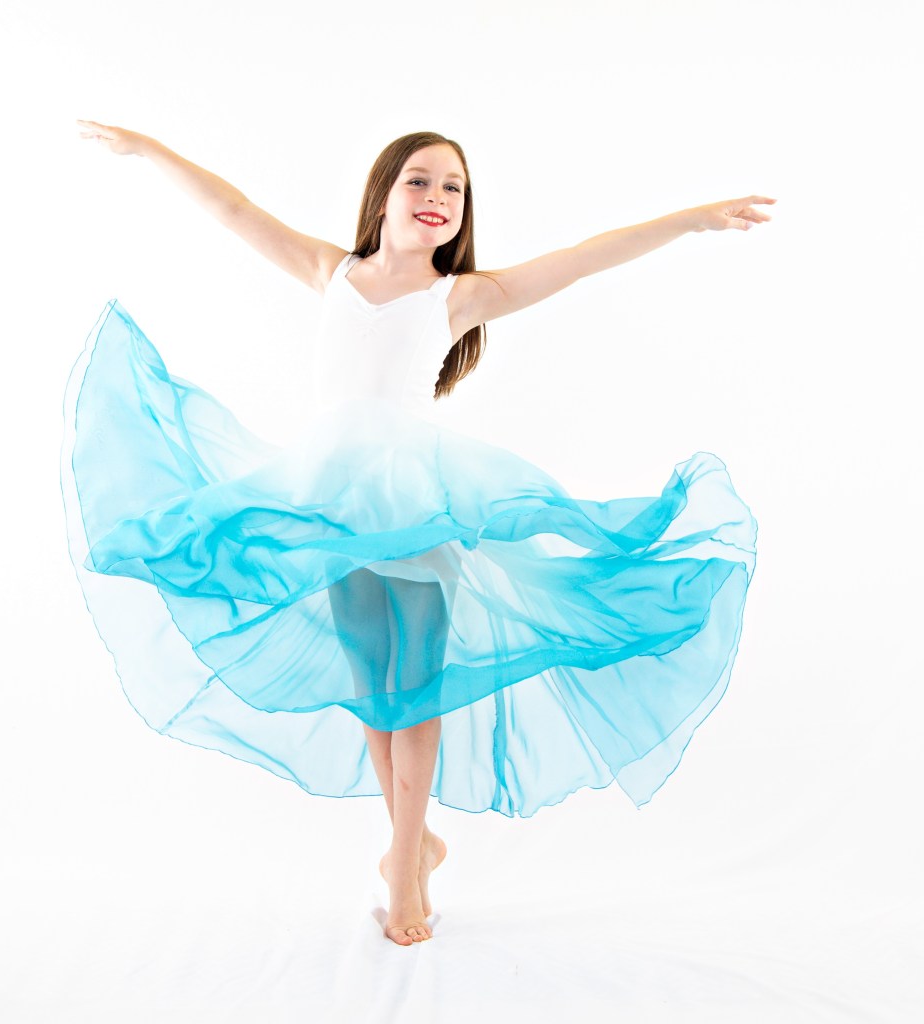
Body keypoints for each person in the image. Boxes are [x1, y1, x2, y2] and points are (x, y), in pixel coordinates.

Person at [67, 120, 773, 946]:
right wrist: (150, 150)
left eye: (453, 188)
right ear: (385, 193)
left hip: (415, 502)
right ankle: (414, 843)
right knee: (374, 684)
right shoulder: (332, 270)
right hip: (329, 501)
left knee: (419, 685)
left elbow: (586, 256)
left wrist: (689, 219)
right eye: (421, 180)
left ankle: (404, 869)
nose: (437, 198)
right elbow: (232, 207)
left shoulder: (460, 296)